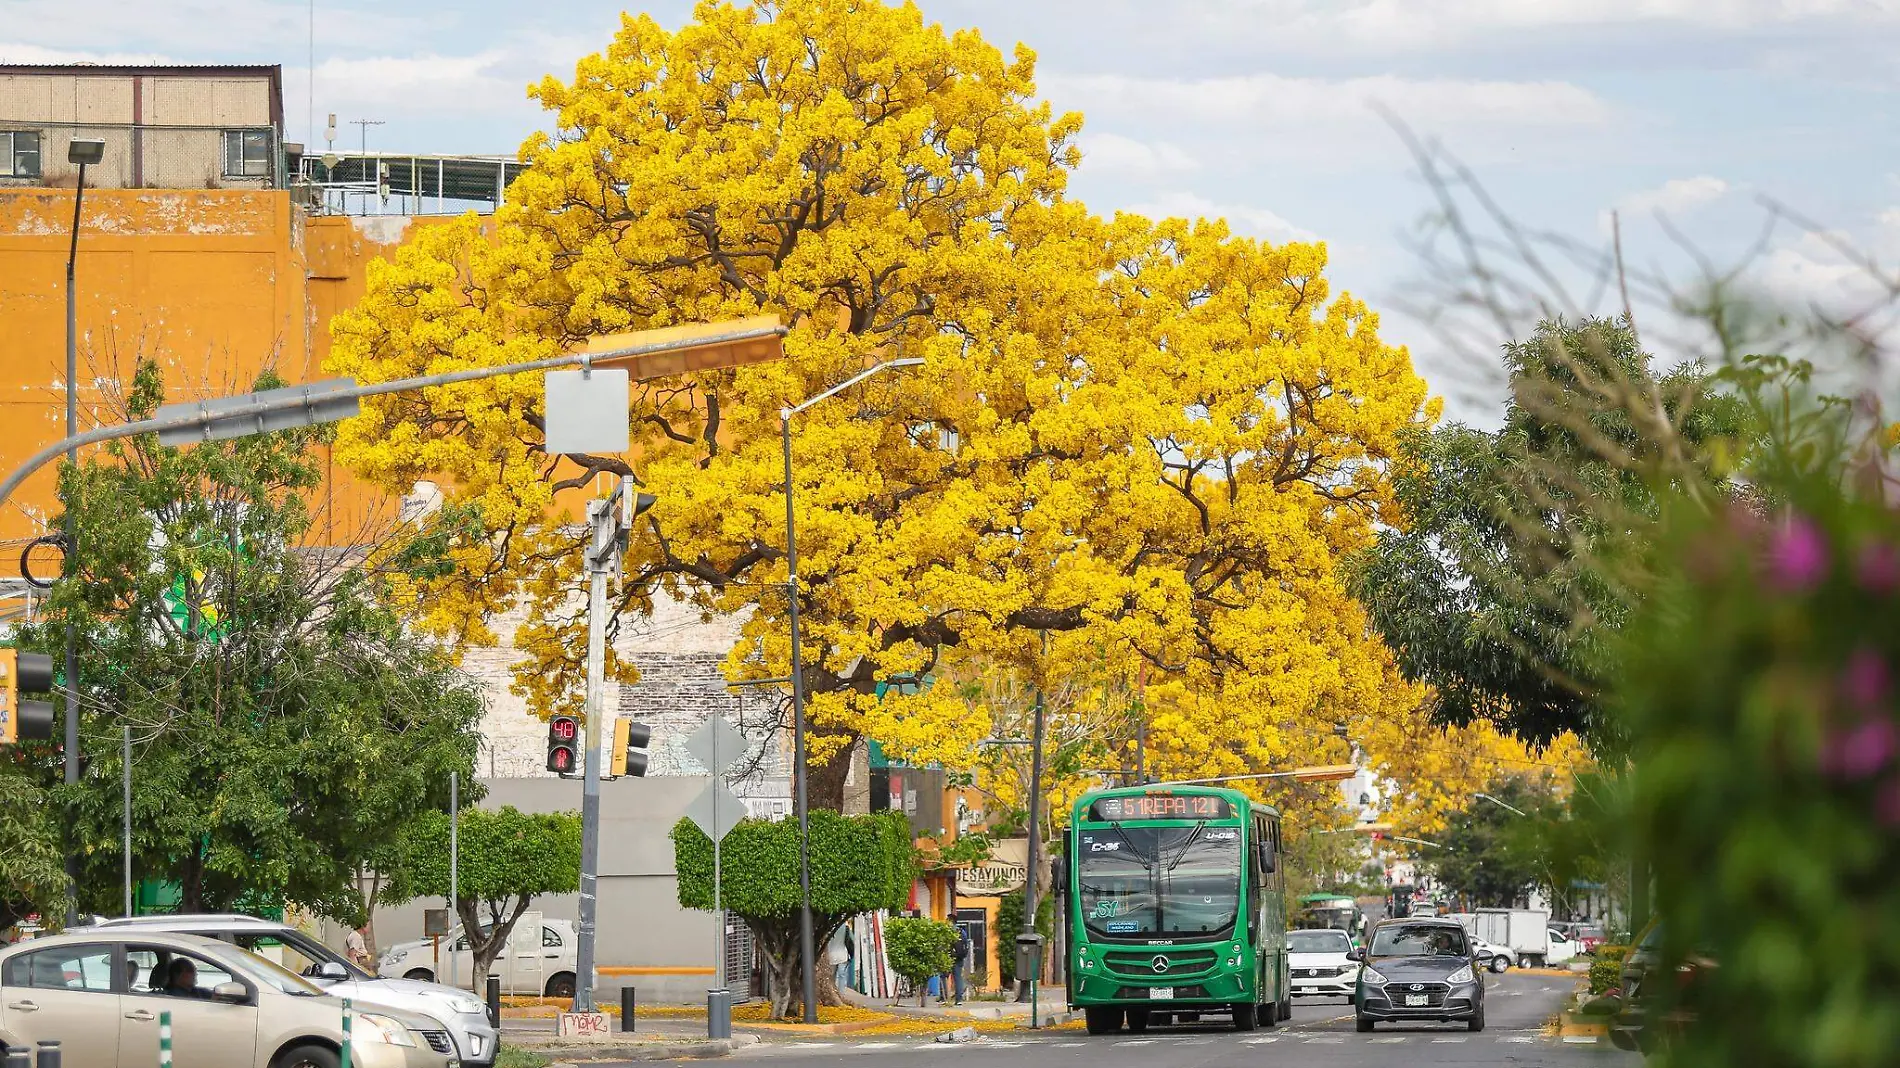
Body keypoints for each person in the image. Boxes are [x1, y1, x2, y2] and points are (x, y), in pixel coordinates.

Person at [951, 927, 970, 1006]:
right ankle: (959, 999)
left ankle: (943, 997)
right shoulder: (962, 932)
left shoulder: (950, 930)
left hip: (951, 957)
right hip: (960, 958)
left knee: (943, 976)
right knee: (958, 978)